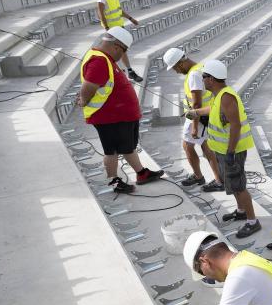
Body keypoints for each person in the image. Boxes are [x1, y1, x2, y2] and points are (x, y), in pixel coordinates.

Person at [77, 26, 163, 193]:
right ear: (116, 46)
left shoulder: (104, 58)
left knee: (127, 147)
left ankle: (142, 173)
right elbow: (89, 86)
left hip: (119, 116)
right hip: (108, 117)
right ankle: (114, 181)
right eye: (123, 51)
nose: (123, 55)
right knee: (112, 150)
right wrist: (84, 100)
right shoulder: (99, 61)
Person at [185, 60, 260, 238]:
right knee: (232, 184)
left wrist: (231, 153)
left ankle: (252, 221)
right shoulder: (219, 95)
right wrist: (196, 113)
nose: (202, 81)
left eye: (204, 77)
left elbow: (235, 126)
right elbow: (214, 109)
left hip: (231, 150)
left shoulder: (226, 96)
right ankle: (241, 211)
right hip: (223, 149)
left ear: (211, 79)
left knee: (239, 186)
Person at [162, 48, 223, 192]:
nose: (176, 72)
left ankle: (199, 176)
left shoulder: (194, 75)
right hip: (205, 116)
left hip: (199, 118)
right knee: (207, 148)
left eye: (176, 68)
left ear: (181, 63)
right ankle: (218, 180)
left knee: (187, 146)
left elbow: (196, 103)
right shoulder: (199, 68)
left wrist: (195, 126)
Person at [96, 0, 143, 82]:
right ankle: (123, 72)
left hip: (119, 26)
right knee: (116, 51)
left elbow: (119, 10)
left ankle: (128, 71)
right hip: (112, 29)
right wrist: (107, 28)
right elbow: (100, 12)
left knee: (123, 50)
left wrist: (130, 18)